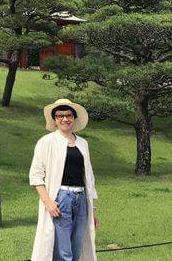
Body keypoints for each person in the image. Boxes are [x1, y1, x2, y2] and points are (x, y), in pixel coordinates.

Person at [29, 99, 99, 261]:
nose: (64, 119)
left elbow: (89, 177)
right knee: (63, 249)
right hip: (61, 199)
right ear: (54, 119)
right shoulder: (46, 142)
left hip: (81, 199)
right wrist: (48, 202)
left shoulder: (83, 143)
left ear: (74, 118)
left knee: (77, 245)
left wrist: (92, 210)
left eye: (68, 115)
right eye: (60, 115)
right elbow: (36, 175)